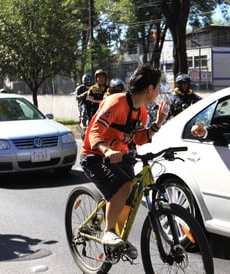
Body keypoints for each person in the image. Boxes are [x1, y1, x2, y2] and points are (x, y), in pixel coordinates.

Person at [80, 64, 167, 259]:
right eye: (159, 86)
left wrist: (157, 125)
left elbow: (137, 139)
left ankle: (118, 238)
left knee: (131, 194)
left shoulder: (142, 112)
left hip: (119, 156)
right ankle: (109, 232)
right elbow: (94, 131)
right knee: (124, 186)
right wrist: (107, 150)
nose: (160, 90)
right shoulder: (116, 102)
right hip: (94, 156)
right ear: (150, 89)